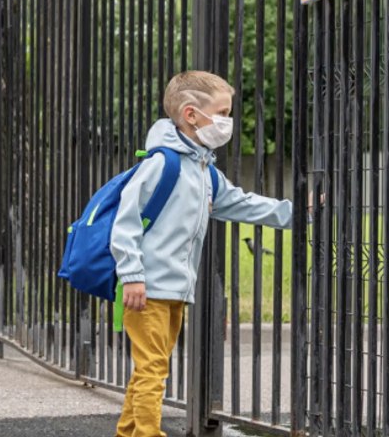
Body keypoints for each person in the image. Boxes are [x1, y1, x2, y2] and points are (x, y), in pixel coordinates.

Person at [110, 70, 296, 437]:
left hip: (173, 289)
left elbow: (239, 203)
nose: (227, 122)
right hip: (146, 289)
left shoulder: (202, 169)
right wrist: (131, 275)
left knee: (151, 365)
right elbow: (125, 221)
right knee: (153, 370)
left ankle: (128, 432)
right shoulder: (162, 163)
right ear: (192, 115)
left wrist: (295, 214)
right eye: (223, 112)